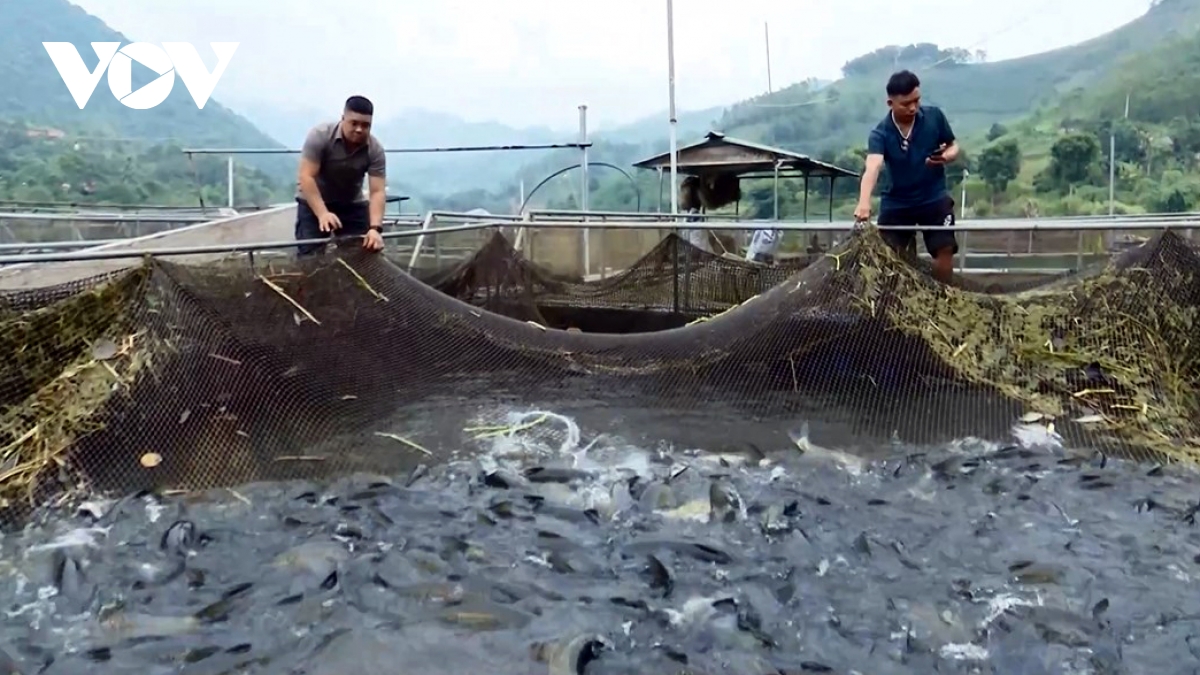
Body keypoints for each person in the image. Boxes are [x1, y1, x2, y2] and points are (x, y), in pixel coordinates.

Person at [853, 70, 960, 282]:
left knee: (944, 247)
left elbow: (953, 145)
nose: (913, 107)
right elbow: (873, 166)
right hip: (897, 201)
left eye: (917, 101)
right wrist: (863, 202)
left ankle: (946, 300)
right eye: (906, 103)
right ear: (890, 103)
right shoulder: (880, 133)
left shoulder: (934, 117)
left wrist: (947, 156)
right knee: (889, 256)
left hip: (933, 196)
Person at [294, 95, 387, 257]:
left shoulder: (375, 149)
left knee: (361, 253)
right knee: (310, 255)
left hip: (351, 203)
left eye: (365, 125)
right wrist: (322, 213)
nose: (359, 129)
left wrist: (375, 228)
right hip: (314, 200)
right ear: (343, 119)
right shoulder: (320, 136)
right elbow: (306, 176)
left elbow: (377, 191)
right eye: (354, 123)